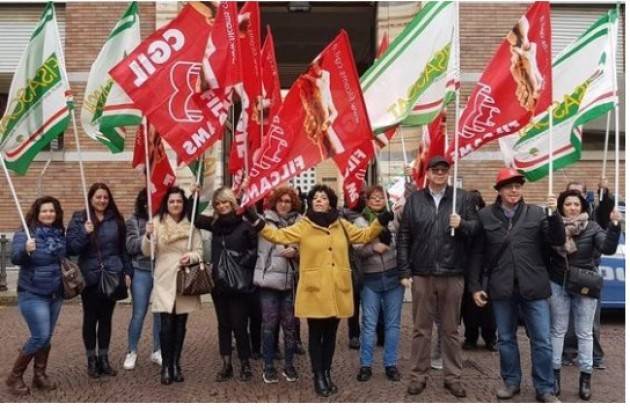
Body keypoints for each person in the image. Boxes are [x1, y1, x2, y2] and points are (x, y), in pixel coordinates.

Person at [255, 184, 391, 397]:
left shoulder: (342, 224)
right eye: (316, 197)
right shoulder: (304, 225)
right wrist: (257, 222)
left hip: (338, 290)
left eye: (324, 197)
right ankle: (318, 375)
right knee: (316, 334)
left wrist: (380, 222)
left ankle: (327, 372)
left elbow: (363, 236)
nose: (319, 200)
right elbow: (278, 236)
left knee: (331, 335)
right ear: (311, 203)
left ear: (330, 202)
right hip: (314, 291)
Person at [469, 168, 564, 403]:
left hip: (534, 286)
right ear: (499, 190)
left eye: (518, 186)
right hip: (501, 288)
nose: (514, 190)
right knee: (506, 339)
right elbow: (477, 255)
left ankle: (545, 388)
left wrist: (554, 216)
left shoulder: (538, 213)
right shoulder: (485, 216)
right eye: (508, 186)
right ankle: (511, 382)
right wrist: (474, 287)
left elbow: (557, 241)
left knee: (541, 339)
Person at [397, 156, 479, 398]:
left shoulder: (462, 198)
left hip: (453, 273)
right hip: (422, 273)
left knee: (451, 330)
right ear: (428, 173)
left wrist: (462, 223)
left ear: (448, 173)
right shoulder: (414, 200)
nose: (440, 173)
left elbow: (477, 231)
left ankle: (453, 377)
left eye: (444, 170)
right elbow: (403, 237)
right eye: (436, 170)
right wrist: (404, 271)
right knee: (421, 330)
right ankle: (418, 376)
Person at [548, 189, 621, 401]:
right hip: (558, 281)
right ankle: (555, 377)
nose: (572, 208)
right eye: (568, 204)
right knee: (558, 330)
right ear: (561, 206)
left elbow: (607, 248)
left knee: (584, 333)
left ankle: (585, 378)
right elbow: (554, 237)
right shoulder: (553, 223)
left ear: (582, 207)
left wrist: (615, 226)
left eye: (576, 204)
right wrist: (552, 215)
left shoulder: (592, 227)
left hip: (584, 283)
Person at [67, 183, 132, 379]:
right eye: (98, 197)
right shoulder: (80, 218)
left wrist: (127, 272)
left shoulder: (117, 220)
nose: (102, 201)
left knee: (106, 318)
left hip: (112, 274)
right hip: (90, 276)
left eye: (105, 197)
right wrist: (84, 233)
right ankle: (91, 360)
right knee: (90, 318)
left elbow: (124, 250)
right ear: (91, 198)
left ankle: (104, 358)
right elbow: (71, 249)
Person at [194, 187, 259, 382]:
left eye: (226, 202)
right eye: (218, 203)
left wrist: (240, 263)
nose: (222, 206)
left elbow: (254, 249)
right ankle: (226, 364)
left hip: (238, 283)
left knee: (239, 324)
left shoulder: (244, 225)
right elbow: (193, 217)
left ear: (233, 204)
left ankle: (245, 364)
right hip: (219, 284)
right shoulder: (214, 224)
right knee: (223, 324)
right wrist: (195, 195)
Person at [141, 186, 203, 385]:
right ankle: (166, 366)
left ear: (183, 204)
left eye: (178, 201)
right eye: (171, 201)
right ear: (166, 204)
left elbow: (200, 251)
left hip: (185, 279)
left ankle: (176, 364)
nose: (175, 204)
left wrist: (191, 256)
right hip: (164, 279)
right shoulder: (157, 223)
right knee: (166, 324)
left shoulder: (191, 224)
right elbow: (146, 252)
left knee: (180, 325)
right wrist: (148, 236)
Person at [6, 197, 66, 396]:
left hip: (55, 293)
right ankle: (14, 377)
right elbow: (15, 258)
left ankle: (39, 375)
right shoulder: (25, 233)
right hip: (32, 293)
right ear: (36, 213)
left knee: (46, 336)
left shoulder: (59, 233)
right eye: (44, 211)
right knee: (40, 336)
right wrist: (25, 250)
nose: (48, 214)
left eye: (52, 211)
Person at [562, 179, 614, 369]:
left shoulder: (593, 216)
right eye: (571, 194)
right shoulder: (561, 216)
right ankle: (568, 353)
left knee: (591, 320)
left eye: (580, 194)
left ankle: (596, 356)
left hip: (588, 273)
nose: (575, 201)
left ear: (586, 195)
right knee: (567, 320)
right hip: (566, 273)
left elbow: (606, 213)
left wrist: (605, 192)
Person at [353, 185, 403, 383]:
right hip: (371, 279)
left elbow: (402, 241)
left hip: (393, 277)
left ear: (385, 200)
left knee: (392, 324)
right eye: (372, 198)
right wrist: (374, 248)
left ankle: (390, 364)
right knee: (368, 325)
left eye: (380, 198)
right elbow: (356, 248)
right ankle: (365, 365)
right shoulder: (359, 221)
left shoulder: (393, 217)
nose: (376, 201)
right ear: (367, 201)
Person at [253, 186, 301, 383]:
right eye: (280, 200)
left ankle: (289, 365)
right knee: (269, 326)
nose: (284, 204)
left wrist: (296, 251)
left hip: (290, 282)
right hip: (268, 282)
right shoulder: (264, 220)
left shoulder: (300, 223)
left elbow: (307, 245)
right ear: (274, 202)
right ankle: (269, 366)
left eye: (288, 201)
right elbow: (248, 212)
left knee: (290, 327)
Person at [123, 189, 162, 370]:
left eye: (154, 201)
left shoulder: (164, 219)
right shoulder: (133, 221)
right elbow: (130, 246)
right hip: (141, 271)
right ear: (142, 203)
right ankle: (132, 351)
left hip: (161, 271)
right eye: (147, 202)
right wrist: (145, 235)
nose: (150, 205)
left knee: (160, 313)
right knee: (139, 313)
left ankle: (158, 350)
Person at [461, 190, 497, 351]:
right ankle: (473, 337)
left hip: (486, 267)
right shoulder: (463, 218)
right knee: (470, 307)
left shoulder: (486, 217)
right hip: (469, 266)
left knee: (487, 306)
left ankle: (488, 337)